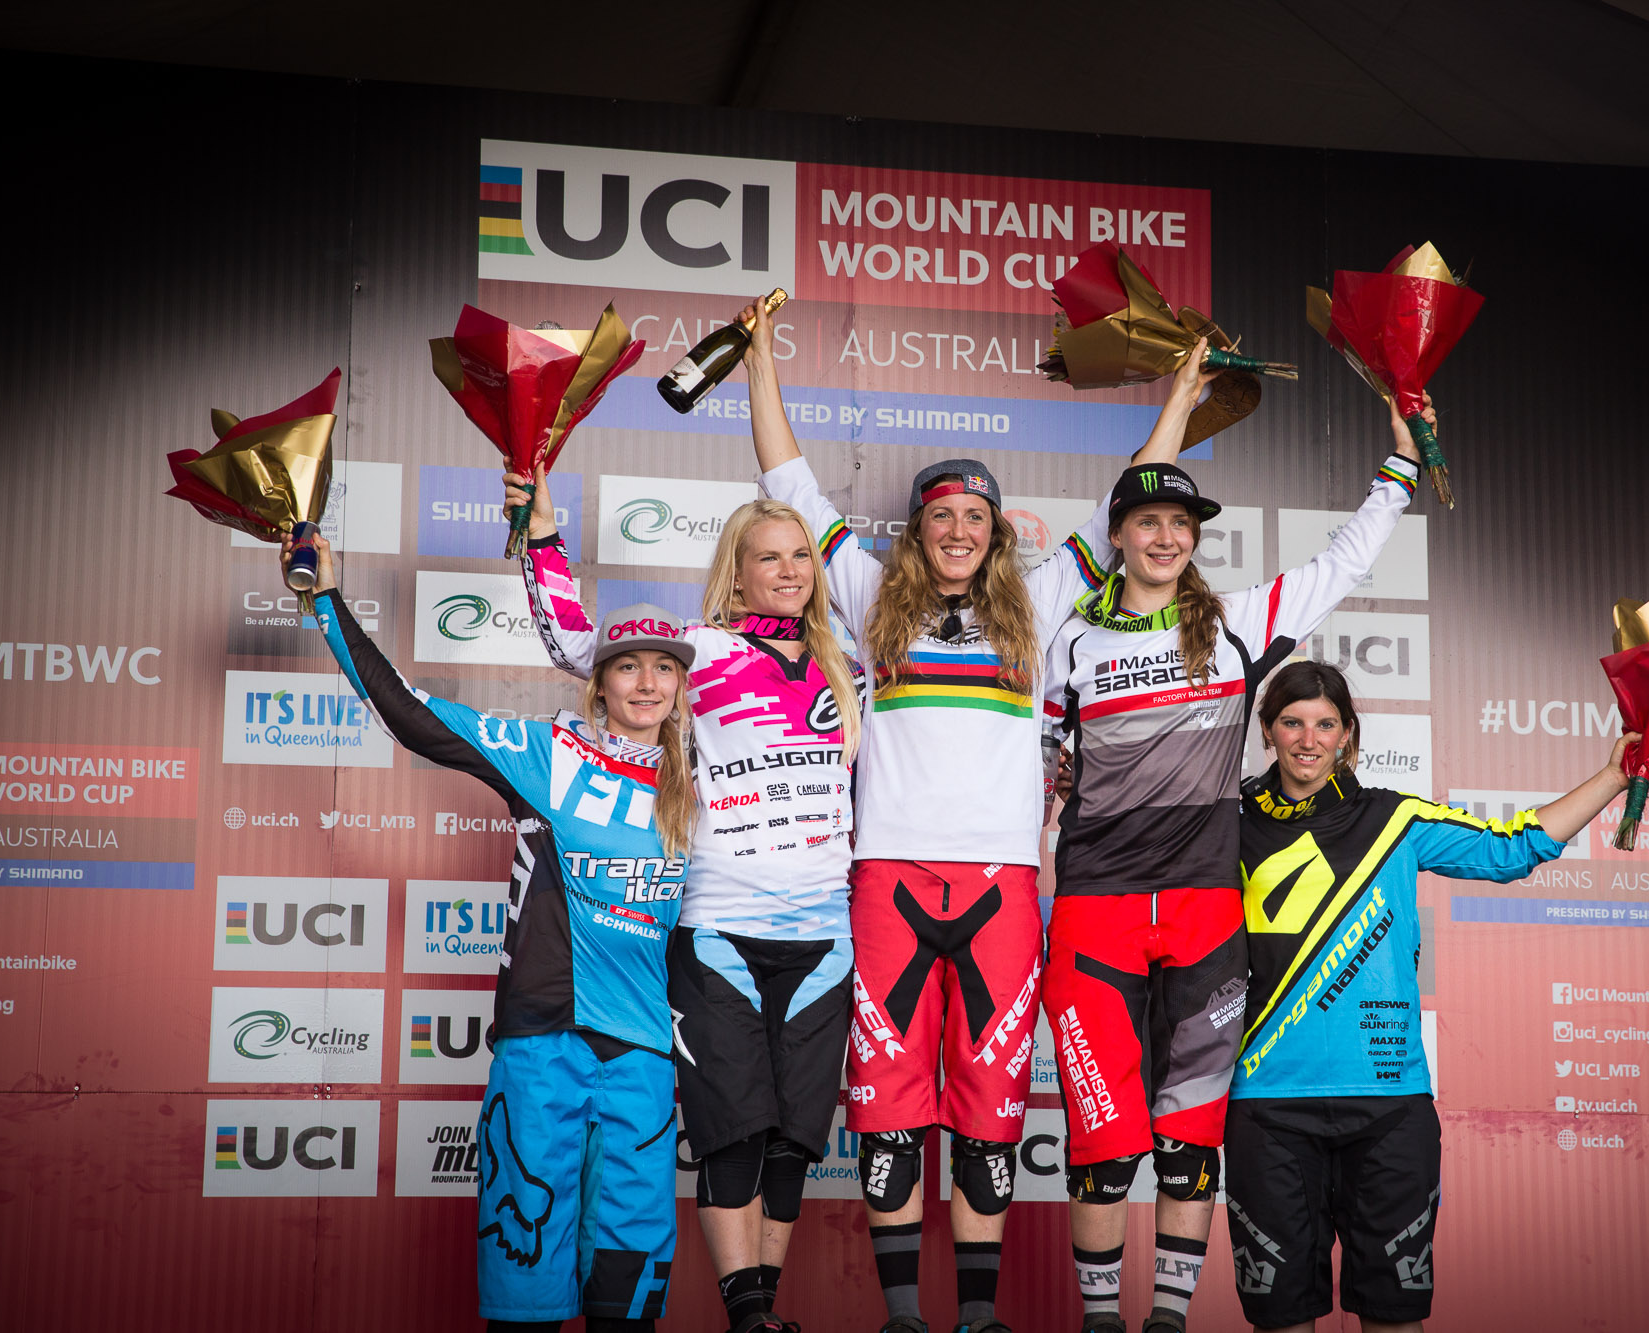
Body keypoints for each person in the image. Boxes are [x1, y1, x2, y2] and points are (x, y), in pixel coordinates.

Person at [742, 294, 1212, 1333]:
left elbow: (1130, 493)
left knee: (992, 1108)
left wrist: (1180, 396)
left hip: (1001, 884)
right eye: (942, 515)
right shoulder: (869, 594)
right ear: (918, 528)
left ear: (995, 532)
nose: (958, 531)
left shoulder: (1037, 606)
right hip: (888, 879)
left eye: (975, 517)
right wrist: (759, 364)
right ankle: (905, 1315)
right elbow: (788, 482)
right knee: (887, 1108)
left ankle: (979, 1316)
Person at [1040, 400, 1429, 1333]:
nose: (1165, 537)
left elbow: (1343, 565)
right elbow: (1033, 756)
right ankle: (1102, 1321)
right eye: (1147, 521)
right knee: (1101, 1147)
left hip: (1205, 912)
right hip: (1096, 908)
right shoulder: (1068, 639)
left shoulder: (1238, 627)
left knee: (1187, 1141)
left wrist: (1399, 473)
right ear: (1117, 535)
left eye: (1181, 523)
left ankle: (1168, 1320)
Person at [280, 530, 693, 1332]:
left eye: (663, 667)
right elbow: (413, 715)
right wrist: (326, 599)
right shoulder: (547, 754)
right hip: (543, 1050)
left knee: (629, 1301)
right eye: (627, 665)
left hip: (644, 1062)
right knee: (523, 1286)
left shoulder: (702, 786)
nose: (647, 682)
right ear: (600, 681)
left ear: (681, 685)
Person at [511, 482, 862, 1333]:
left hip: (826, 933)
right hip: (719, 926)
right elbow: (577, 644)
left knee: (794, 1141)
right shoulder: (697, 650)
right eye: (769, 557)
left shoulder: (850, 664)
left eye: (801, 556)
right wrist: (544, 536)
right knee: (733, 1131)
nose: (790, 570)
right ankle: (747, 1314)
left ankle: (763, 1309)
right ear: (737, 573)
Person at [1224, 661, 1649, 1333]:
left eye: (1325, 724)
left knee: (1396, 1319)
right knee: (1281, 1321)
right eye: (1292, 722)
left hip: (1387, 1109)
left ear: (1348, 734)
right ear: (1267, 730)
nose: (1308, 740)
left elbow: (1514, 849)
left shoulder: (1395, 818)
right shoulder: (1227, 822)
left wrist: (1615, 775)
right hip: (1268, 1106)